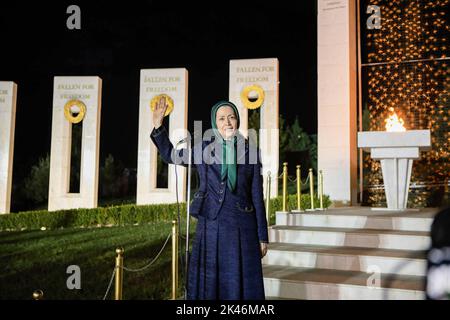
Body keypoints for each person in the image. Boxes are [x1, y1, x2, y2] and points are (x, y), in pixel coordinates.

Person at [150, 97, 269, 300]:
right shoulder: (204, 149)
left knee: (239, 288)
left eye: (231, 117)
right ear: (215, 123)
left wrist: (262, 236)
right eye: (222, 118)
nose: (227, 122)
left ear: (238, 121)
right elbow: (171, 155)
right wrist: (158, 126)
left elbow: (257, 196)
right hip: (211, 227)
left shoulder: (251, 152)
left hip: (242, 229)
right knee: (210, 286)